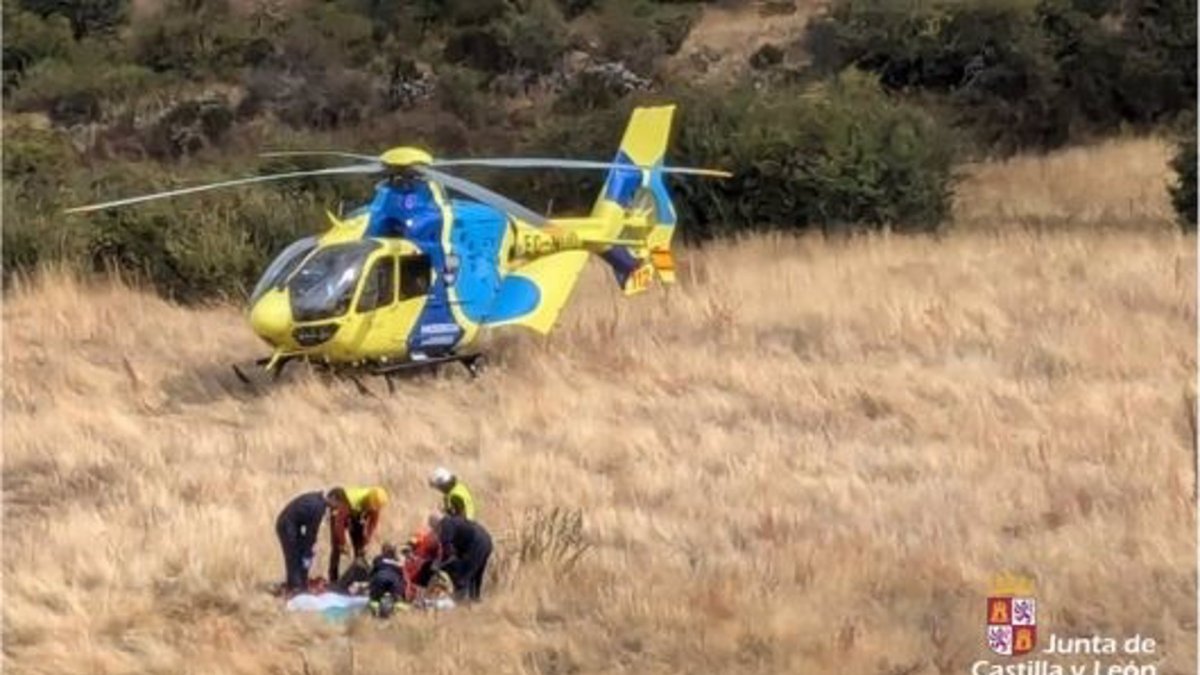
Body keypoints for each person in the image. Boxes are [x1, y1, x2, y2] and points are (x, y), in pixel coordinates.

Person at [275, 489, 339, 595]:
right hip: (287, 525)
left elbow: (309, 535)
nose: (337, 508)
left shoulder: (318, 500)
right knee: (293, 555)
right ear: (333, 498)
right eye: (338, 504)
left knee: (300, 553)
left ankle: (297, 583)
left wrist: (307, 551)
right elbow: (311, 533)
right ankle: (296, 588)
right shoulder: (319, 507)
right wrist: (308, 553)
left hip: (292, 525)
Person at [327, 485, 389, 582]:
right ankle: (333, 578)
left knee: (360, 548)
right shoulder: (350, 501)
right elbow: (339, 523)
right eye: (371, 507)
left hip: (356, 513)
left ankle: (359, 576)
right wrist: (343, 543)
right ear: (369, 501)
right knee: (337, 546)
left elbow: (372, 524)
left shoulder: (376, 503)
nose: (373, 509)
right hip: (343, 501)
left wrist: (366, 540)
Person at [430, 511, 493, 602]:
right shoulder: (455, 520)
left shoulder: (445, 524)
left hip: (476, 543)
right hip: (487, 541)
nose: (436, 532)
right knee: (475, 575)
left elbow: (446, 546)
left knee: (462, 576)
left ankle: (460, 602)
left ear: (436, 524)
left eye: (434, 529)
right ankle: (475, 600)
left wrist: (440, 564)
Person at [366, 543, 407, 618]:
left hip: (380, 578)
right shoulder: (397, 560)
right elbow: (402, 576)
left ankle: (374, 614)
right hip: (394, 580)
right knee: (398, 600)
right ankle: (398, 615)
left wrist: (369, 584)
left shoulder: (378, 558)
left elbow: (372, 572)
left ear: (383, 550)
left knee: (375, 599)